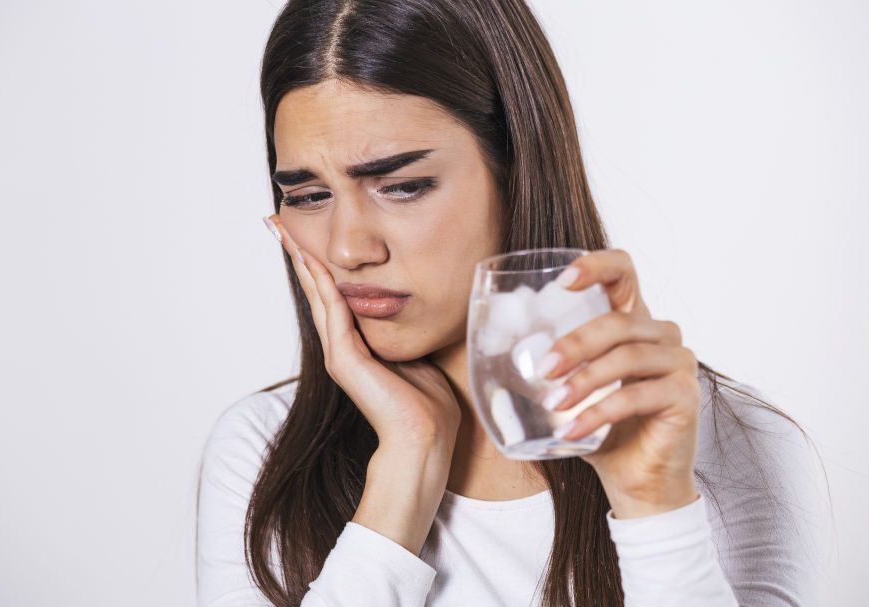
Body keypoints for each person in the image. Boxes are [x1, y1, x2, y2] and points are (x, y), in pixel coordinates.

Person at [196, 0, 826, 605]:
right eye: (307, 196)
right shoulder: (263, 453)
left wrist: (654, 509)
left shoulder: (733, 444)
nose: (349, 248)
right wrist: (404, 473)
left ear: (518, 168)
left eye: (403, 186)